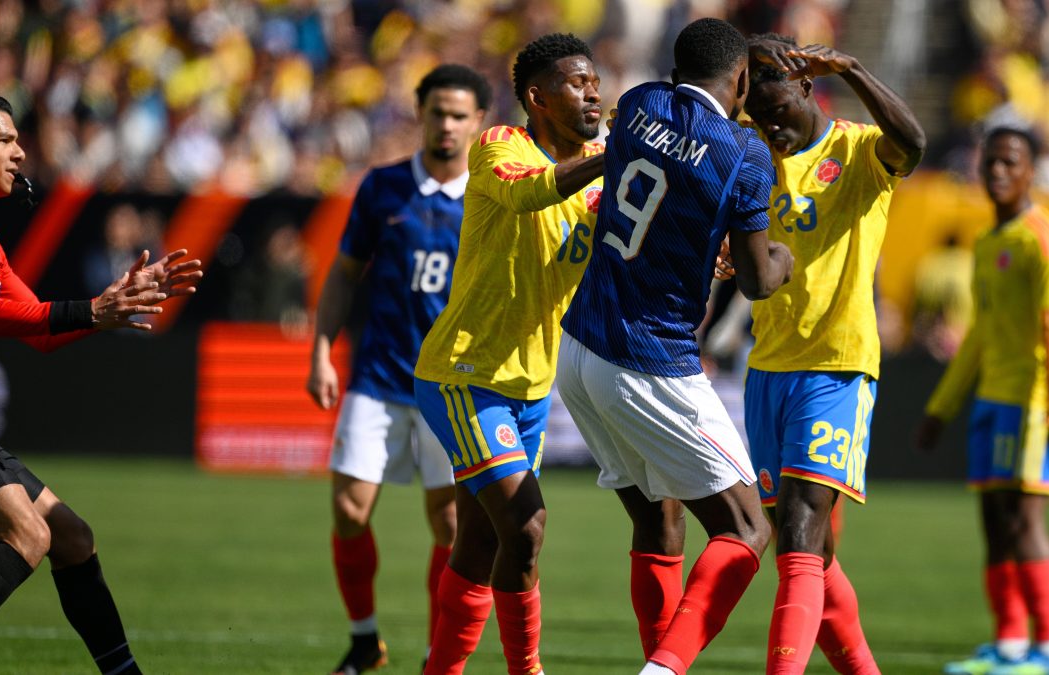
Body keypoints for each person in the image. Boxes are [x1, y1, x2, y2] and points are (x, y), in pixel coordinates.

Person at [0, 91, 202, 675]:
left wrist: (108, 307)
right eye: (4, 139)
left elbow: (40, 332)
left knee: (72, 538)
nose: (20, 153)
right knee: (29, 536)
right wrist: (91, 310)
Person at [556, 18, 794, 675]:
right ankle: (661, 670)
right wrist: (783, 259)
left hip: (580, 349)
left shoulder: (637, 104)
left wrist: (701, 247)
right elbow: (756, 280)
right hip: (649, 359)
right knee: (747, 528)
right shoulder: (744, 153)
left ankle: (658, 660)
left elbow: (656, 194)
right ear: (740, 79)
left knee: (660, 519)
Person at [411, 33, 606, 675]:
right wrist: (616, 158)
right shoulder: (500, 145)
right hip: (465, 374)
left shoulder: (603, 166)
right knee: (526, 525)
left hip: (531, 387)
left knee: (481, 544)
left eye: (595, 83)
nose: (593, 94)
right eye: (577, 84)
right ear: (538, 98)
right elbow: (531, 194)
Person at [740, 33, 926, 674]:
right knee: (809, 552)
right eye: (757, 115)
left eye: (776, 112)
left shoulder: (858, 149)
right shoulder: (752, 150)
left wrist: (853, 68)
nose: (770, 127)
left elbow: (914, 143)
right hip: (767, 367)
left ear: (804, 86)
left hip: (837, 365)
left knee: (799, 529)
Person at [304, 64, 491, 675]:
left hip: (453, 385)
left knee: (450, 523)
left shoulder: (492, 196)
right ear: (420, 114)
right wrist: (321, 350)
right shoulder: (383, 187)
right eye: (438, 112)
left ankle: (439, 653)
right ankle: (365, 641)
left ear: (479, 121)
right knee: (349, 511)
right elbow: (343, 274)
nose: (447, 125)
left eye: (459, 115)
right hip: (379, 375)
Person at [916, 126, 1049, 675]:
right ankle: (1009, 645)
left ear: (1031, 171)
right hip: (990, 399)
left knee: (1024, 523)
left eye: (1011, 162)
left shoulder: (1045, 243)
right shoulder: (988, 242)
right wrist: (941, 408)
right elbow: (980, 335)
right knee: (993, 522)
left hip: (1031, 403)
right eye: (991, 162)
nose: (998, 172)